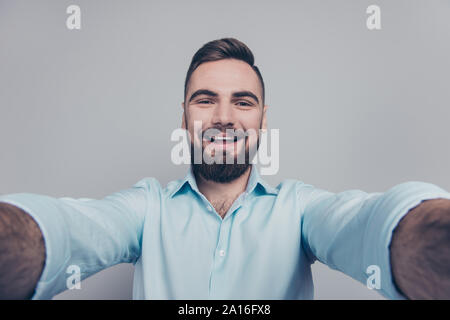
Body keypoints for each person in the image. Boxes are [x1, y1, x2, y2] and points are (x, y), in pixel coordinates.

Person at [1, 38, 449, 300]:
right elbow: (73, 227)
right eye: (205, 99)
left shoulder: (300, 209)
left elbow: (365, 225)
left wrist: (433, 239)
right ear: (184, 120)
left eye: (243, 101)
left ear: (262, 121)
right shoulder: (146, 209)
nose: (224, 117)